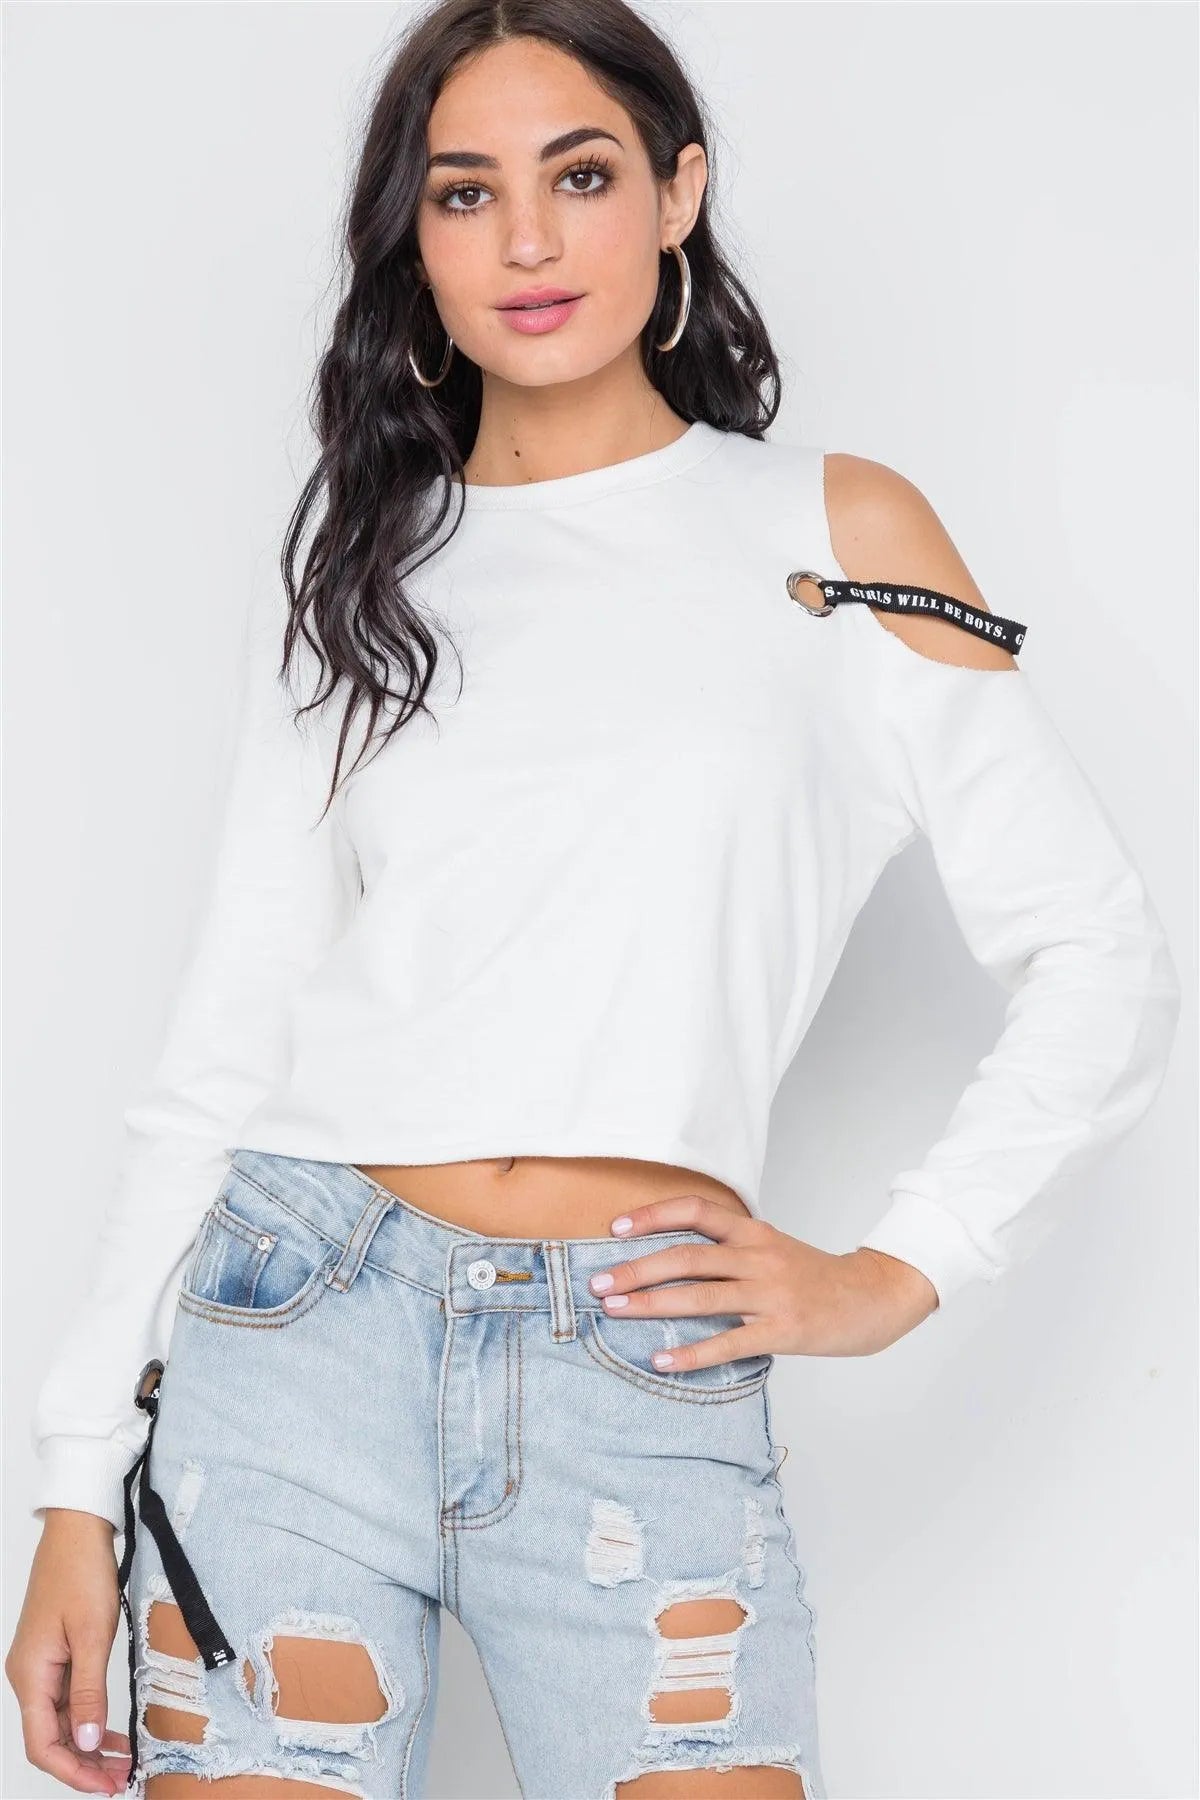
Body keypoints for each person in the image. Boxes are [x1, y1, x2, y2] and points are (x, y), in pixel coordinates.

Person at [5, 3, 1181, 1797]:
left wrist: (898, 1272)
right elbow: (231, 1029)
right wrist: (76, 1484)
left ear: (677, 193)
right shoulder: (357, 563)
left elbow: (1099, 951)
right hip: (296, 1333)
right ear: (415, 237)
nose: (530, 244)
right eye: (466, 193)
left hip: (639, 1347)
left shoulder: (838, 538)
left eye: (580, 176)